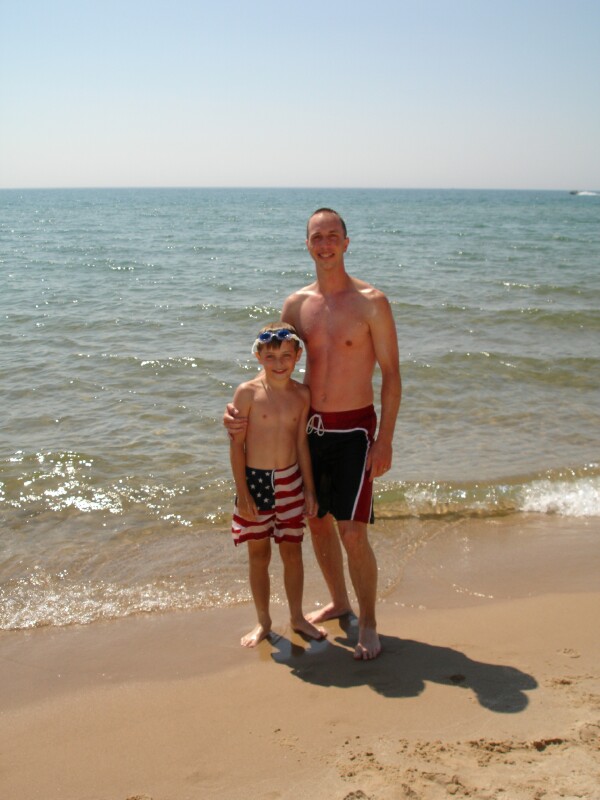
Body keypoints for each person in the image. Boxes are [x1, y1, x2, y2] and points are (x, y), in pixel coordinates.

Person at [226, 209, 401, 659]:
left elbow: (391, 374)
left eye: (332, 235)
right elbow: (275, 363)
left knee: (353, 533)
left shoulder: (372, 302)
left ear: (346, 242)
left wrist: (385, 439)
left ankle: (369, 622)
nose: (325, 244)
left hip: (355, 429)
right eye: (316, 237)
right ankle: (339, 601)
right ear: (307, 244)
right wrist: (239, 412)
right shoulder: (296, 305)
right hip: (310, 428)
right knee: (317, 523)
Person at [229, 322, 327, 648]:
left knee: (292, 552)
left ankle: (297, 617)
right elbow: (236, 446)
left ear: (298, 355)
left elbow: (301, 444)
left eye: (286, 355)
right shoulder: (247, 393)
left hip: (290, 480)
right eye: (270, 356)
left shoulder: (301, 395)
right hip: (255, 482)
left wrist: (309, 489)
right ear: (258, 356)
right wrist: (243, 492)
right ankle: (263, 622)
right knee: (258, 555)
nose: (279, 363)